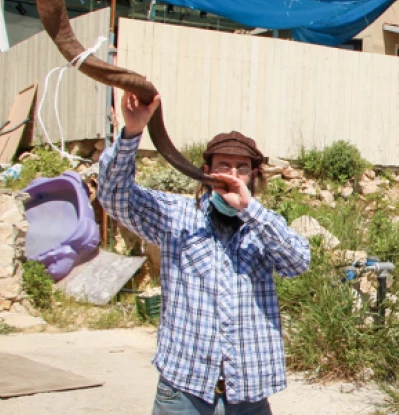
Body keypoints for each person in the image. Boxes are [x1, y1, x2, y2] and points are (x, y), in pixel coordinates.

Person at [98, 91, 311, 415]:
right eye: (223, 166)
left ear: (254, 176)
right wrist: (132, 132)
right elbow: (114, 197)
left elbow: (298, 262)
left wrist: (249, 209)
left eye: (242, 168)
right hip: (185, 391)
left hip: (249, 396)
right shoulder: (177, 217)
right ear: (205, 171)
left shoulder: (264, 226)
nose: (232, 175)